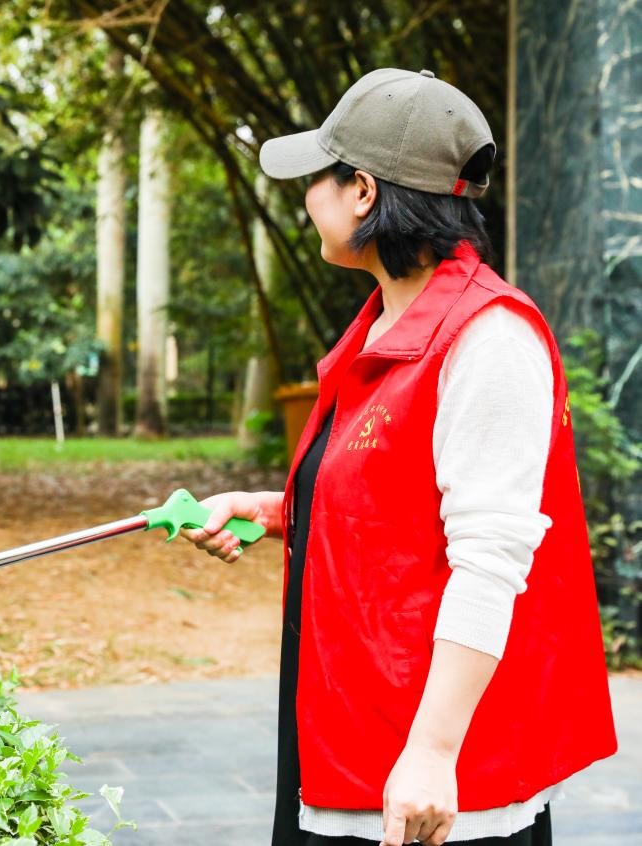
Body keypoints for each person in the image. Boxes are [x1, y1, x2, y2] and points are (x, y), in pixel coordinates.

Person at [183, 69, 616, 846]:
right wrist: (276, 510)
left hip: (428, 783)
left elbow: (488, 557)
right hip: (349, 731)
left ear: (361, 191)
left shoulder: (487, 337)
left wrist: (432, 752)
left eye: (317, 177)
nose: (305, 198)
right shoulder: (382, 324)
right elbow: (395, 501)